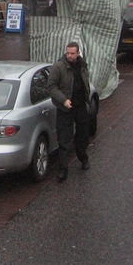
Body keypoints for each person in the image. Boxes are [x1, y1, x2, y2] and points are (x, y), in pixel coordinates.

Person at [47, 41, 92, 182]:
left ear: (78, 53)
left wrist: (87, 97)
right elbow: (51, 86)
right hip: (65, 109)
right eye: (68, 53)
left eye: (73, 53)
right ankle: (63, 169)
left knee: (83, 136)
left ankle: (83, 158)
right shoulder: (59, 67)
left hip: (80, 107)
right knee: (64, 140)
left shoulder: (82, 65)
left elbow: (85, 81)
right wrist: (63, 100)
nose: (70, 56)